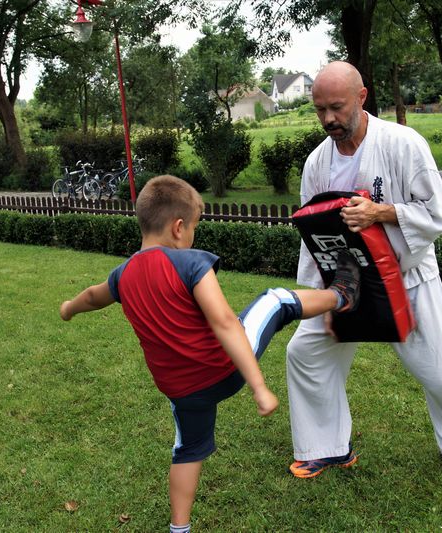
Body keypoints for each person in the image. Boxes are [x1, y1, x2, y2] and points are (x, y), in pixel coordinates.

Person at [59, 175, 362, 533]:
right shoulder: (189, 264)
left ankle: (179, 528)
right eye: (194, 227)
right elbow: (225, 323)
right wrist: (258, 386)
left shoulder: (122, 276)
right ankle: (343, 294)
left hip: (183, 391)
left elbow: (92, 296)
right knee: (276, 301)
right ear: (178, 228)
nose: (193, 236)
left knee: (188, 450)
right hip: (225, 369)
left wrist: (69, 308)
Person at [285, 61, 442, 481]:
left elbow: (436, 214)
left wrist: (380, 212)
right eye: (320, 109)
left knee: (440, 372)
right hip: (346, 282)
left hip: (407, 277)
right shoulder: (317, 162)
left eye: (336, 107)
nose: (328, 119)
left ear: (361, 97)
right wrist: (322, 291)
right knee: (305, 352)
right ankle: (327, 448)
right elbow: (314, 229)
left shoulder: (403, 144)